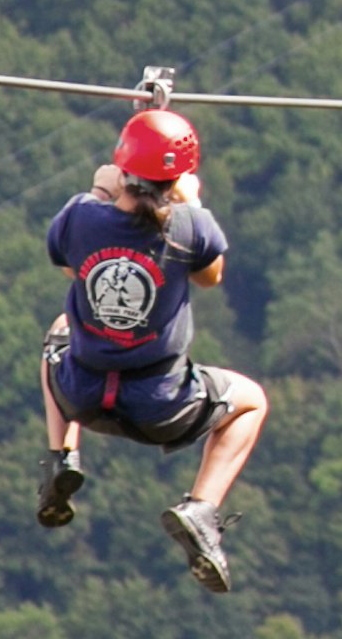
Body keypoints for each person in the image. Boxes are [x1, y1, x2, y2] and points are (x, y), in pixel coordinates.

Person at [35, 95, 269, 594]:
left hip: (83, 393)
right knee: (251, 402)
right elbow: (211, 277)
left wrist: (99, 190)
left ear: (124, 169)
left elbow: (69, 265)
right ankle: (202, 511)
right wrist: (193, 203)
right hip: (161, 406)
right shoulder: (189, 226)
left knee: (59, 329)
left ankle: (62, 456)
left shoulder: (80, 218)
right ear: (178, 178)